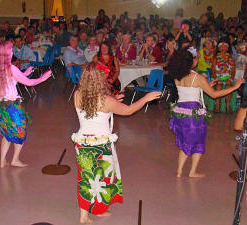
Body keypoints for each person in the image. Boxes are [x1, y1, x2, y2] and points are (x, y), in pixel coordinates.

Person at [72, 63, 161, 224]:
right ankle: (93, 211)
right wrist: (145, 98)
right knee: (103, 178)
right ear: (100, 79)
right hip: (101, 146)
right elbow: (128, 110)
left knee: (86, 178)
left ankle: (86, 214)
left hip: (83, 144)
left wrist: (114, 101)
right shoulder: (106, 101)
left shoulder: (78, 94)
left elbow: (94, 109)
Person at [167, 47, 244, 178]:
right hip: (193, 116)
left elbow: (190, 90)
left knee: (185, 142)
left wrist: (208, 84)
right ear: (192, 62)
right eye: (195, 58)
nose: (197, 59)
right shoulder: (197, 77)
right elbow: (214, 95)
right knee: (198, 142)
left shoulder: (177, 75)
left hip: (180, 113)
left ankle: (179, 171)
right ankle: (192, 172)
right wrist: (235, 87)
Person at [0, 41, 52, 168]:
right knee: (19, 132)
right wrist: (42, 78)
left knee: (7, 133)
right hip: (11, 107)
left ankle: (2, 161)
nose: (12, 52)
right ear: (5, 53)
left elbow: (9, 81)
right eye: (10, 50)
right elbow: (29, 83)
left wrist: (24, 74)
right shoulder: (11, 68)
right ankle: (15, 159)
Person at [212, 38, 236, 113]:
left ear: (228, 48)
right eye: (221, 47)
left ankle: (227, 106)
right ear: (218, 48)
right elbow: (213, 71)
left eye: (224, 47)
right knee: (218, 86)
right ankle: (217, 105)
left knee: (228, 86)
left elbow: (233, 71)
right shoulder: (215, 58)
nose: (223, 48)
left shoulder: (231, 58)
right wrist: (216, 79)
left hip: (228, 78)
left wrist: (230, 79)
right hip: (218, 78)